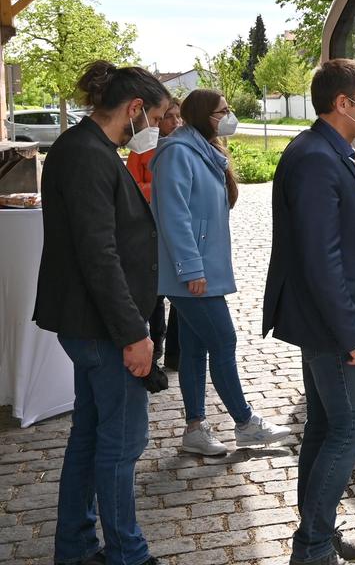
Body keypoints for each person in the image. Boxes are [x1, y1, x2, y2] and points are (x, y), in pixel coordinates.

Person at [33, 61, 170, 565]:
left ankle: (75, 547)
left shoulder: (87, 148)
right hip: (103, 328)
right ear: (134, 110)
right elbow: (99, 253)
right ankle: (126, 554)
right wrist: (134, 334)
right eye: (154, 118)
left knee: (91, 436)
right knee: (122, 444)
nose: (155, 129)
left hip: (92, 324)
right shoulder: (89, 153)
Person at [264, 59, 355, 565]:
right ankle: (312, 548)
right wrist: (352, 333)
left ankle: (318, 532)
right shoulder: (316, 157)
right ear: (344, 103)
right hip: (335, 327)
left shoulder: (326, 149)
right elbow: (321, 258)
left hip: (329, 322)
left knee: (324, 426)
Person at [153, 89, 291, 456]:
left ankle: (195, 429)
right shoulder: (178, 153)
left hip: (202, 270)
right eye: (222, 111)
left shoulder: (202, 149)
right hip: (192, 274)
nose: (229, 116)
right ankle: (245, 424)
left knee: (196, 349)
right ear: (202, 116)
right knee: (223, 341)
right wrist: (190, 268)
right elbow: (174, 216)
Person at [127, 97, 182, 367]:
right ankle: (156, 343)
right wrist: (158, 187)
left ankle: (176, 351)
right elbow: (131, 187)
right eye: (168, 117)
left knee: (181, 296)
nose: (175, 122)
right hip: (150, 229)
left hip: (176, 230)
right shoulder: (143, 149)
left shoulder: (184, 149)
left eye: (178, 117)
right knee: (155, 294)